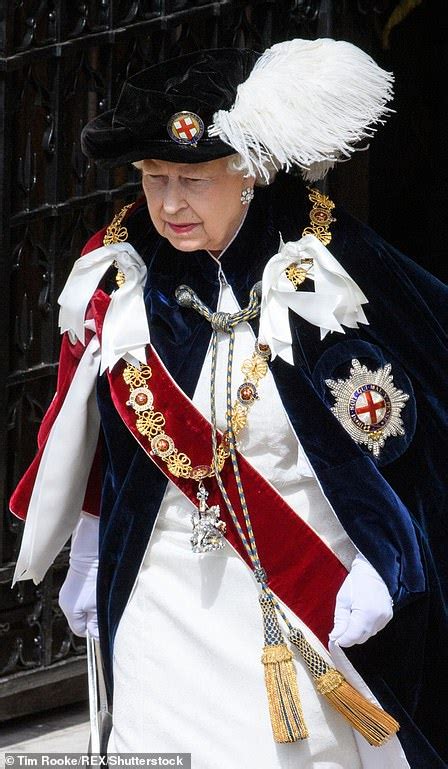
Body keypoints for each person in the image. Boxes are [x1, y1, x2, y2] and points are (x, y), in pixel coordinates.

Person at [10, 40, 447, 769]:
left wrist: (389, 561)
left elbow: (411, 435)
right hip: (160, 599)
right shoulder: (119, 272)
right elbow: (93, 434)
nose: (170, 204)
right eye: (153, 178)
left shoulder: (328, 264)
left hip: (304, 597)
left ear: (247, 172)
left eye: (192, 178)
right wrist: (87, 546)